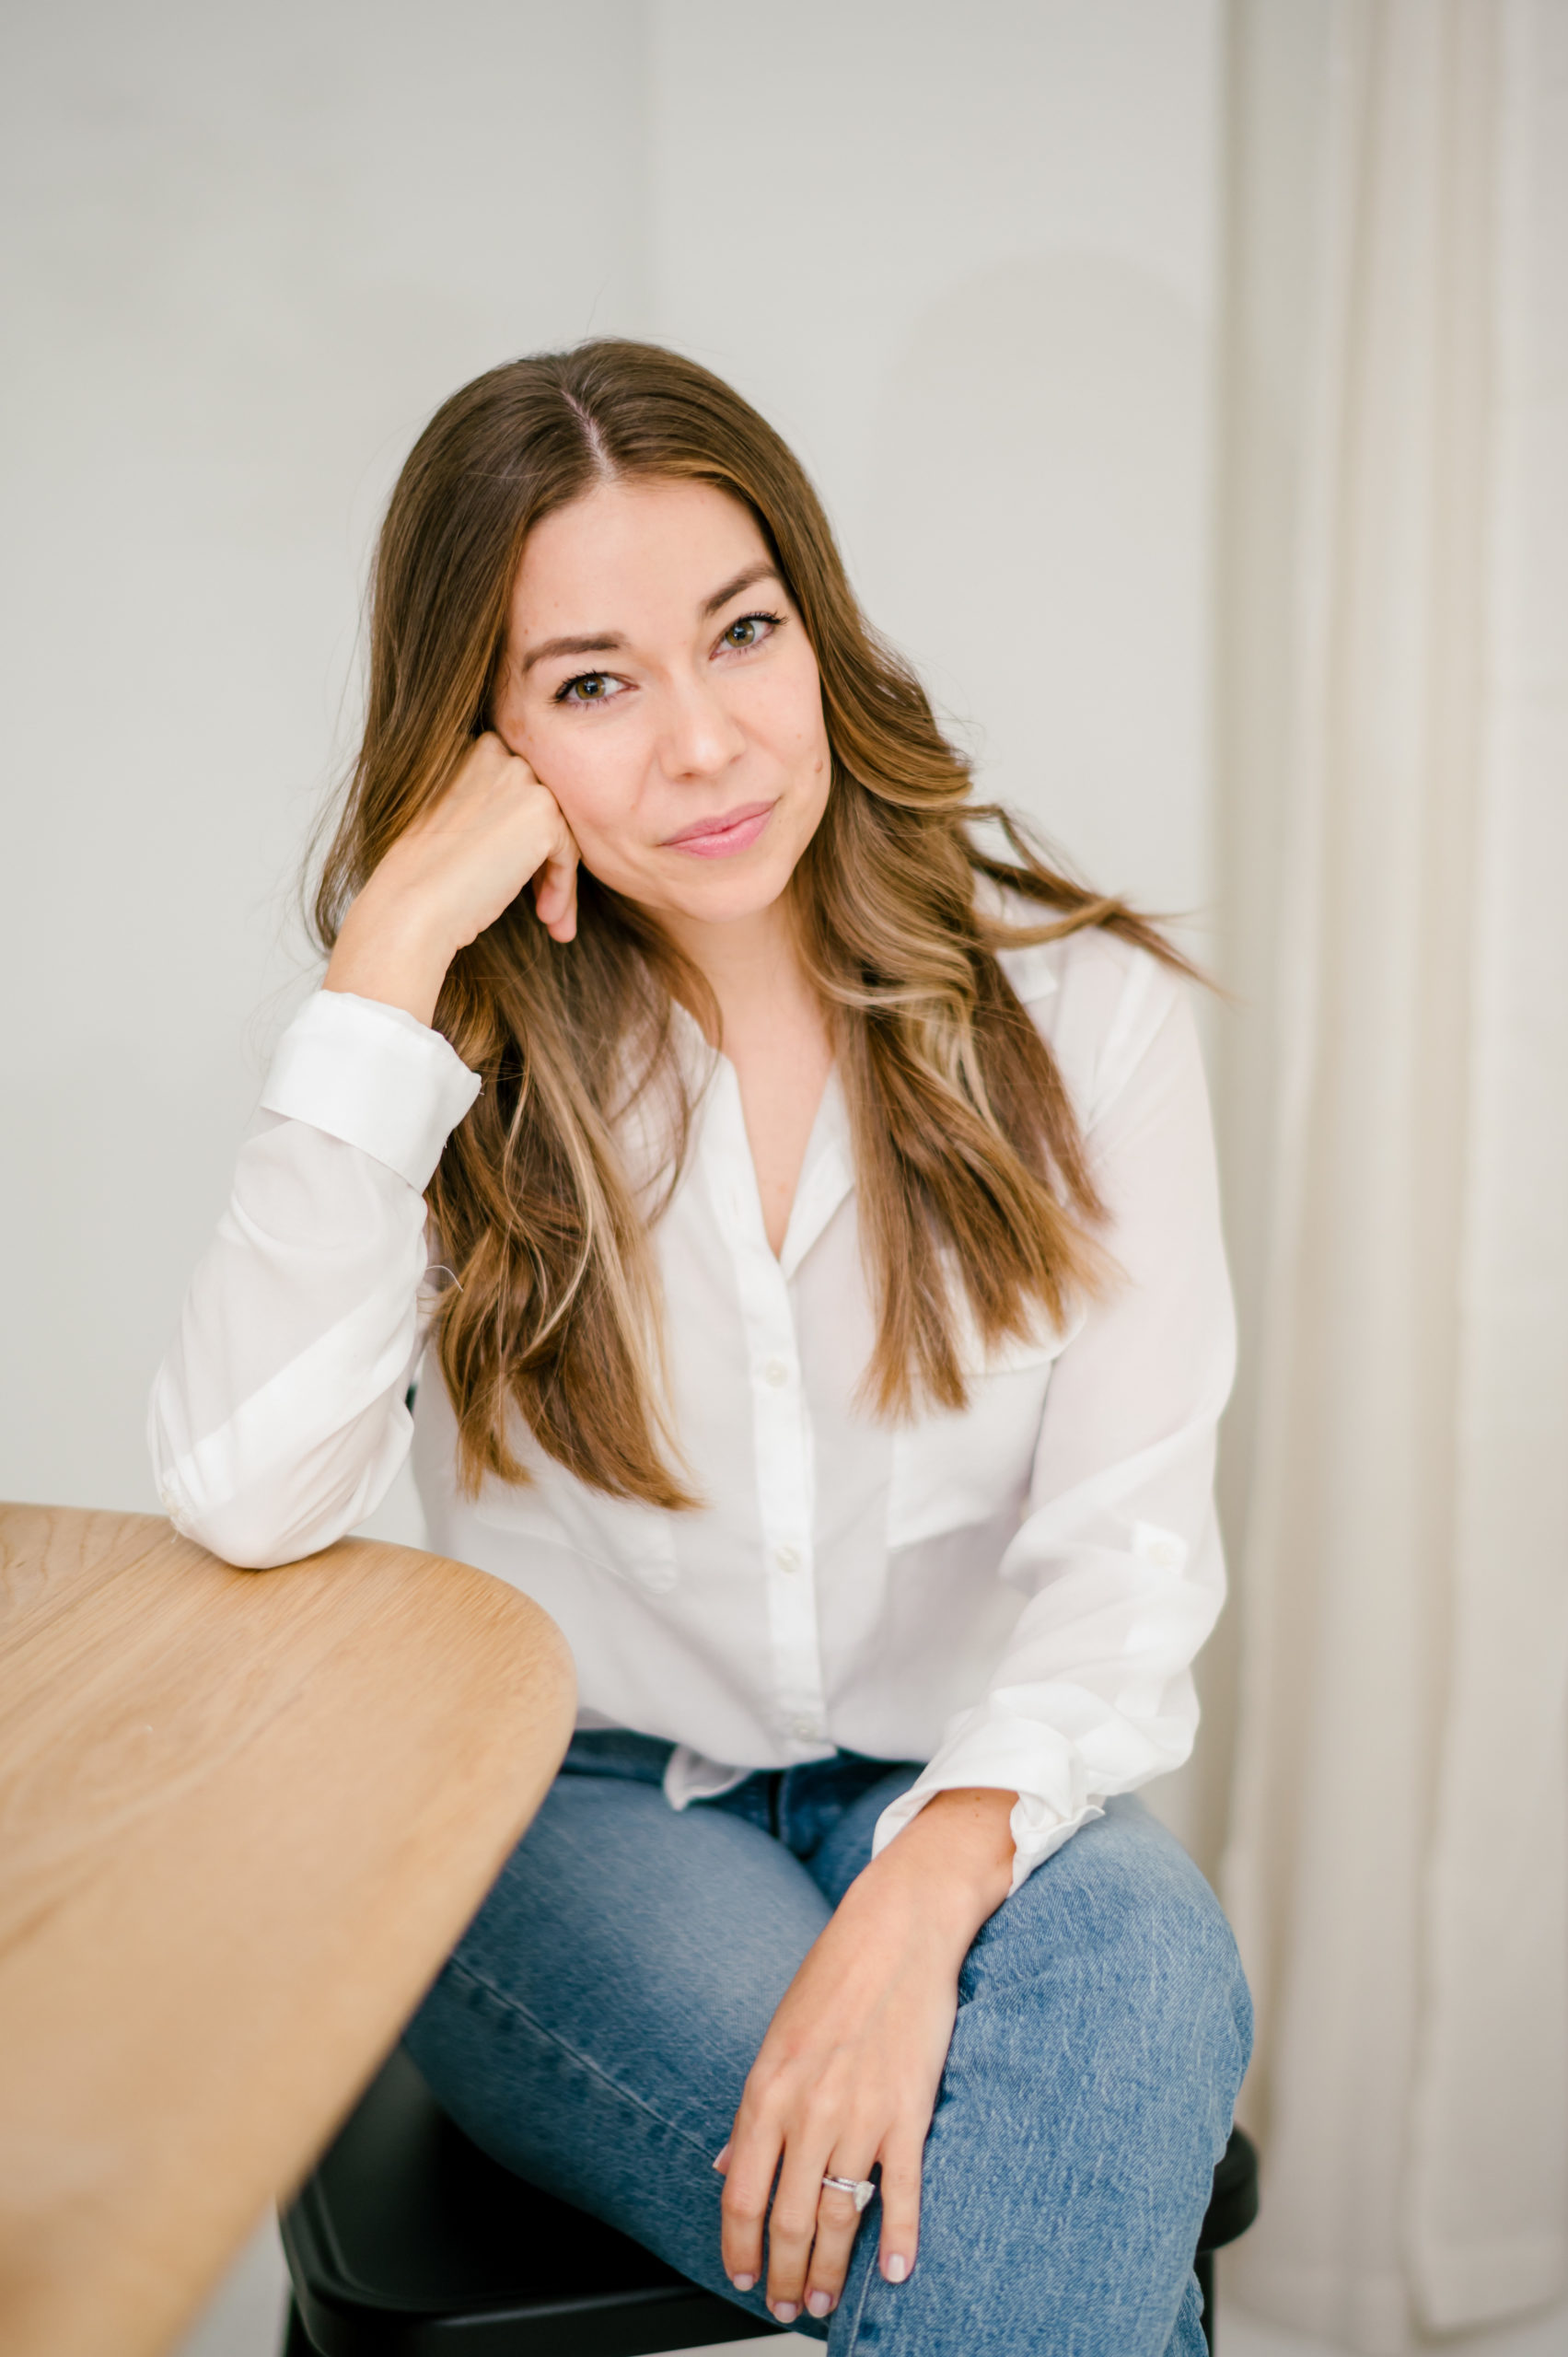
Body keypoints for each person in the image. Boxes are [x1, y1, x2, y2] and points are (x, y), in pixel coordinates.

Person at [150, 340, 1250, 2354]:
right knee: (1011, 2207)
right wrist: (391, 950)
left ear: (818, 629)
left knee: (1155, 1984)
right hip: (566, 1814)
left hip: (981, 1779)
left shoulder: (1083, 1026)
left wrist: (923, 1891)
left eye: (742, 633)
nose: (706, 747)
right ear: (486, 746)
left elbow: (1130, 1554)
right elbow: (242, 1496)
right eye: (591, 683)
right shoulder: (431, 1056)